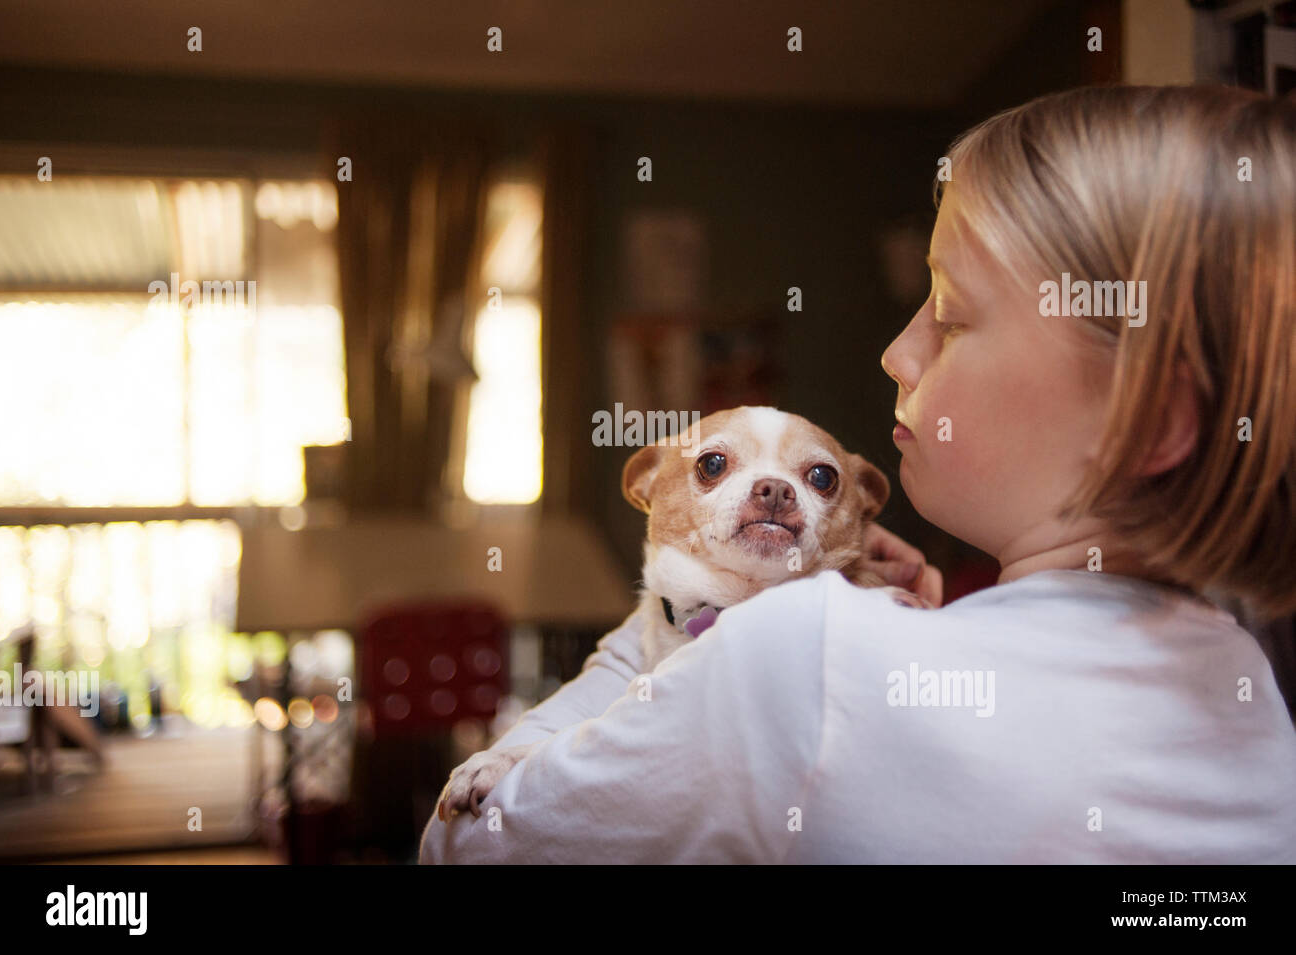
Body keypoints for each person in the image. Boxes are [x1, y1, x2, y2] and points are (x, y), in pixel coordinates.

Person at [420, 85, 1296, 863]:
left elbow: (464, 841)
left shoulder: (803, 660)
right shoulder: (1244, 678)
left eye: (949, 316)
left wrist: (699, 616)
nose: (896, 350)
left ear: (1154, 418)